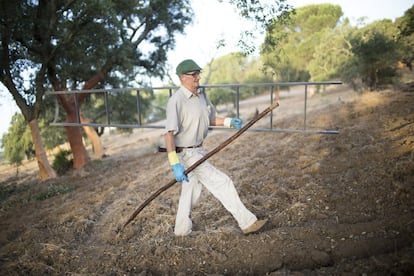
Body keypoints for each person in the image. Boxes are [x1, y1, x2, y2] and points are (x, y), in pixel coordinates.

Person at [164, 59, 268, 236]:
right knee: (222, 182)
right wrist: (175, 164)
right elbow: (169, 134)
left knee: (191, 193)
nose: (198, 77)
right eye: (194, 74)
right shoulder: (176, 101)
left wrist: (228, 121)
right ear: (182, 78)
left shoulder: (201, 95)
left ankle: (181, 231)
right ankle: (248, 223)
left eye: (199, 73)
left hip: (198, 150)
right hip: (187, 154)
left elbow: (210, 119)